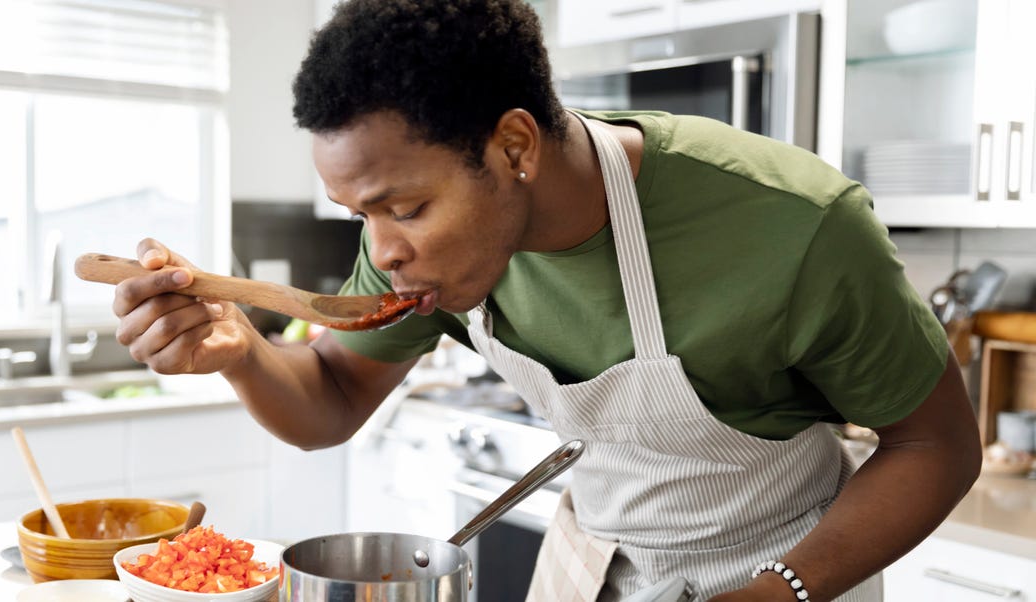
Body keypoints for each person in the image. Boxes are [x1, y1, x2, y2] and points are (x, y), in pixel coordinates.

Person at [109, 1, 981, 600]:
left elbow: (936, 445)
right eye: (360, 214)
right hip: (593, 561)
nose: (381, 250)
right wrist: (241, 353)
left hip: (790, 570)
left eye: (405, 208)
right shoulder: (416, 259)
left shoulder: (794, 226)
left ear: (515, 146)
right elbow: (331, 402)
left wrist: (775, 591)